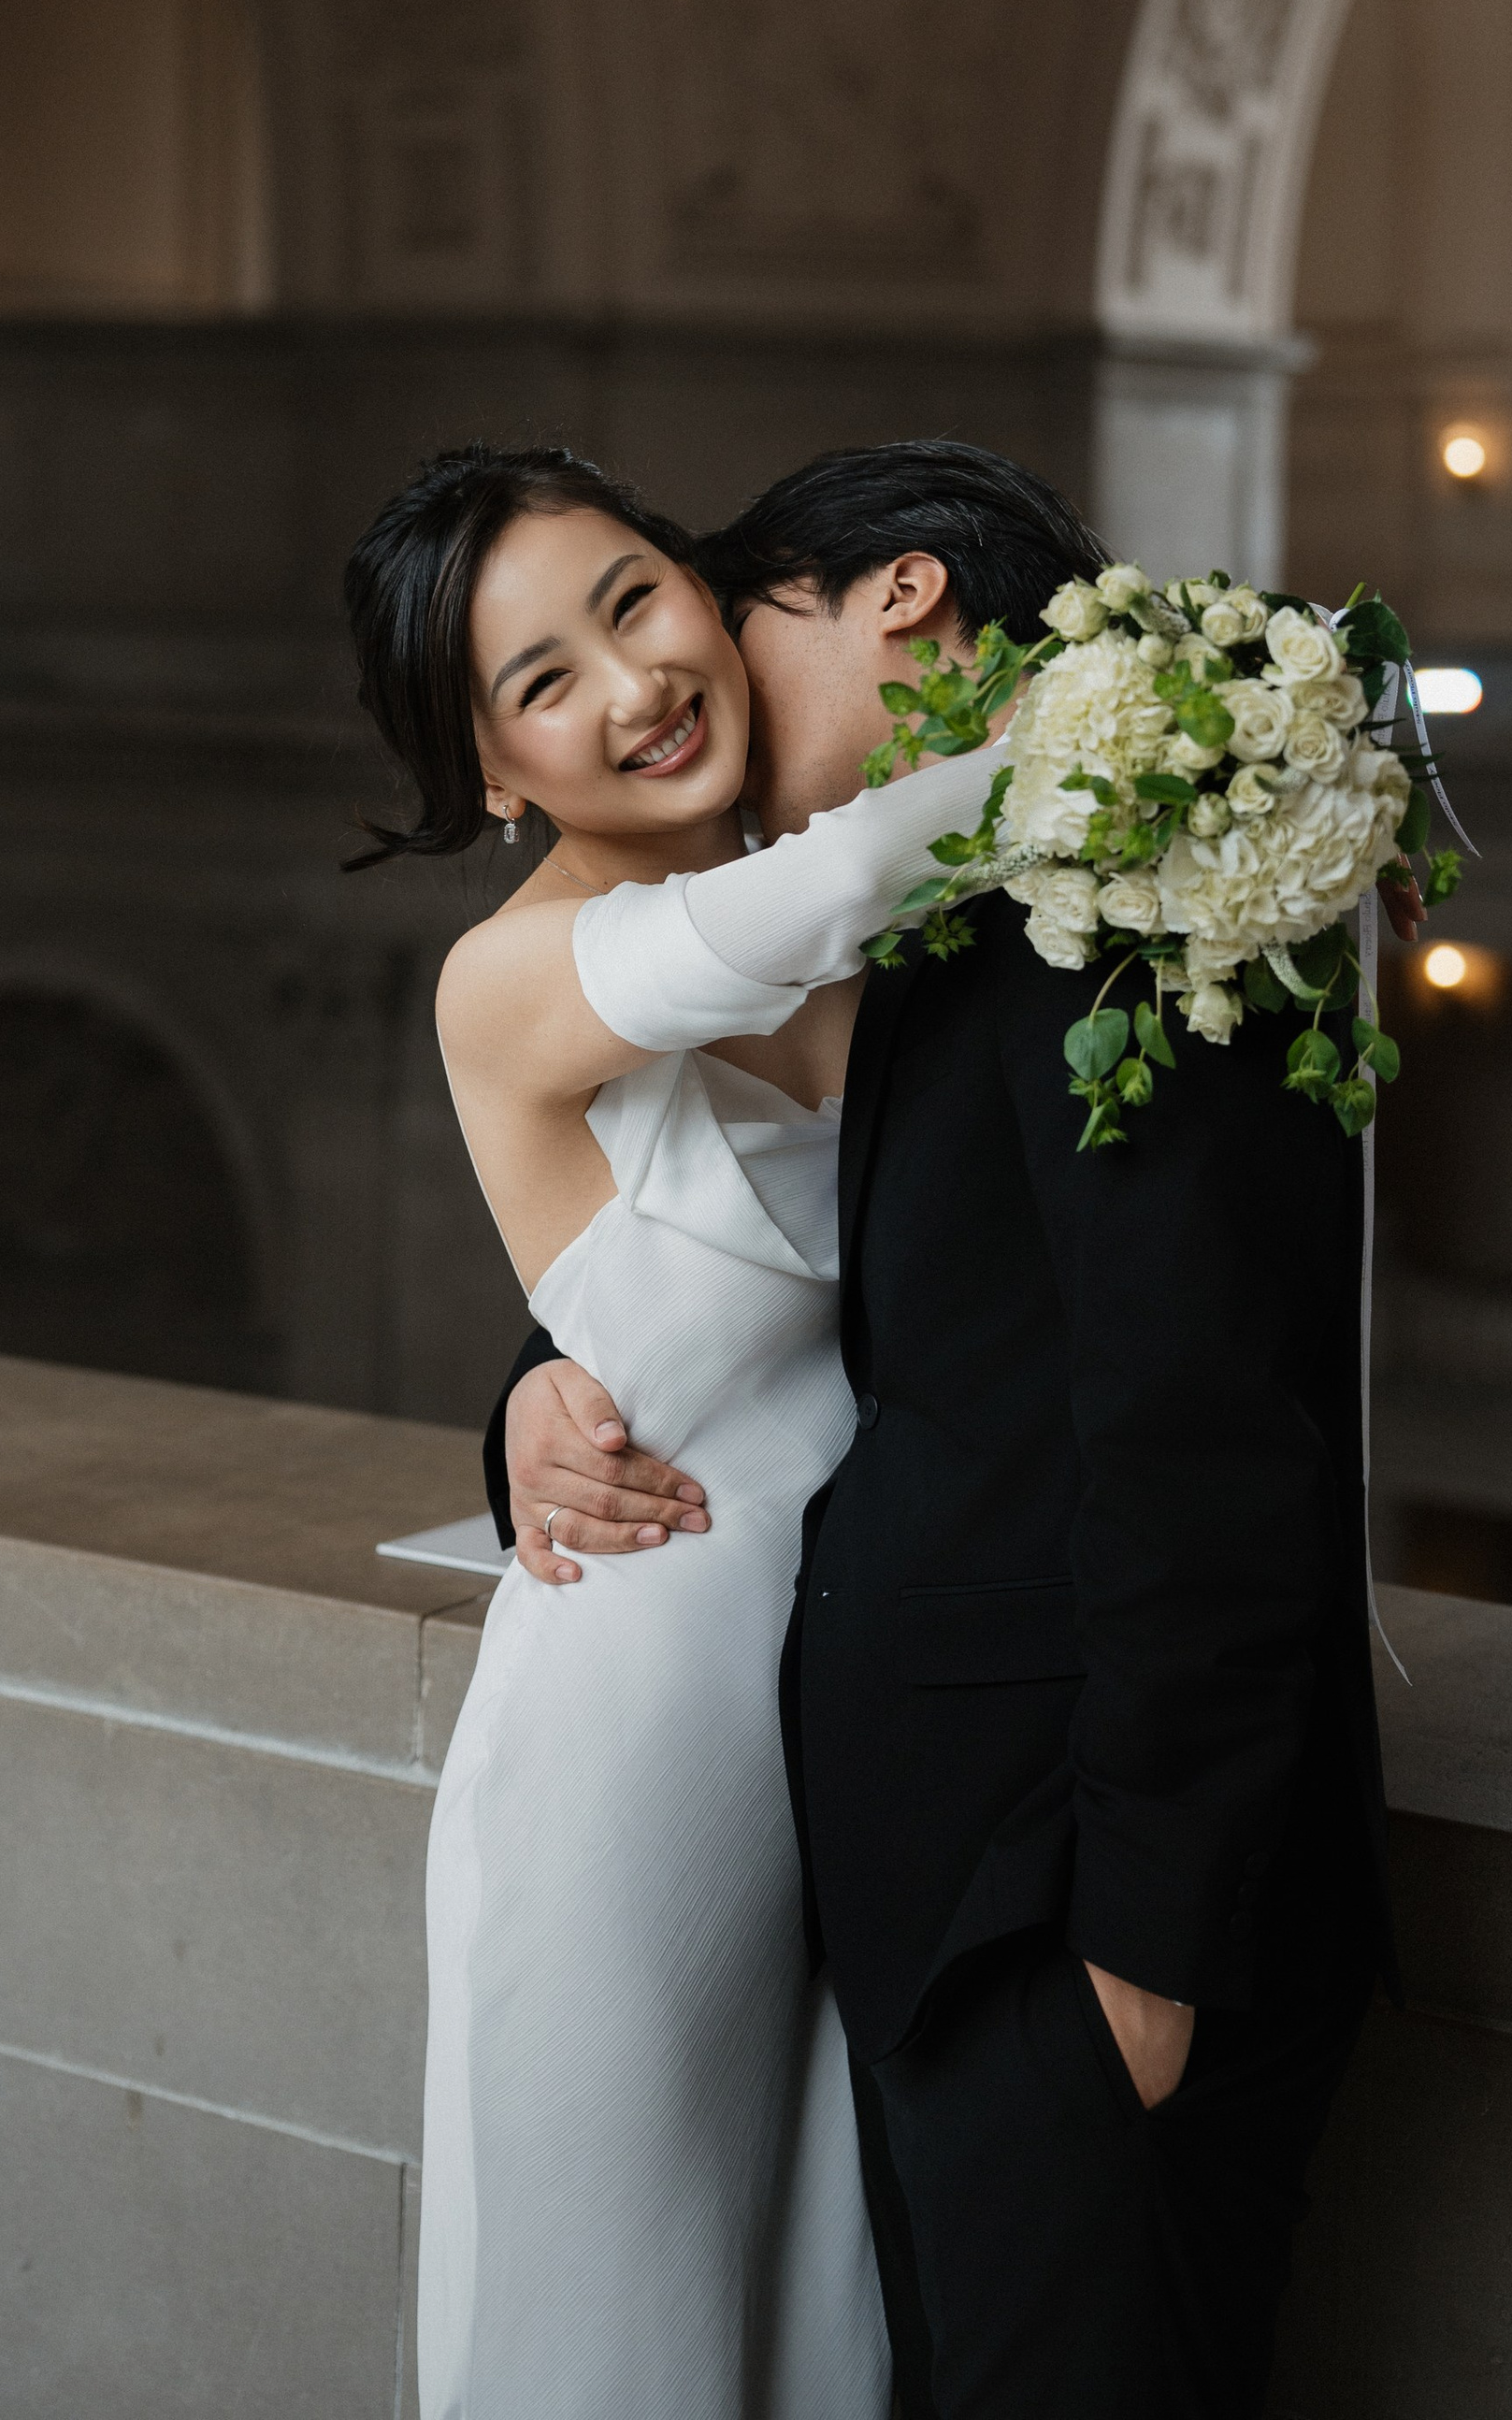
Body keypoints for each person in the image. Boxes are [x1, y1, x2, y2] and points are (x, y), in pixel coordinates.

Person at [492, 439, 1395, 2420]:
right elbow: (812, 1292)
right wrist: (535, 1395)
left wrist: (1140, 1965)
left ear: (894, 593)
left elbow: (1209, 1426)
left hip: (1074, 1916)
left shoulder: (1151, 864)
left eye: (719, 623)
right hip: (935, 1904)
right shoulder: (942, 910)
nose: (684, 692)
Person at [341, 441, 1005, 2420]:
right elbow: (840, 887)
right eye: (541, 680)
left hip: (862, 1726)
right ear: (488, 776)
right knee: (607, 2327)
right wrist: (1217, 730)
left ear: (700, 585)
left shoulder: (840, 898)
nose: (629, 685)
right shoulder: (515, 974)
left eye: (634, 600)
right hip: (636, 1735)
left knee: (813, 2331)